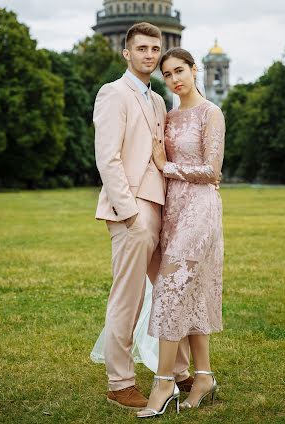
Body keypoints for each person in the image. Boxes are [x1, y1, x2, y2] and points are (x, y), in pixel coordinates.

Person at [93, 23, 192, 410]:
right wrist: (130, 212)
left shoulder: (157, 101)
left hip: (160, 209)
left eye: (156, 48)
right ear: (126, 53)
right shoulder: (113, 94)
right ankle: (119, 382)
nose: (150, 55)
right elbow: (108, 158)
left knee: (168, 294)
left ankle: (180, 373)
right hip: (133, 211)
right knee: (129, 298)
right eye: (142, 49)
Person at [136, 47, 225, 418]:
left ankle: (164, 383)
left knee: (170, 294)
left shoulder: (211, 113)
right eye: (167, 74)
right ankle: (202, 376)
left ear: (194, 69)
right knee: (190, 296)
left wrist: (165, 165)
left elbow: (212, 170)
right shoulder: (169, 117)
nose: (174, 79)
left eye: (179, 71)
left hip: (201, 212)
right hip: (173, 211)